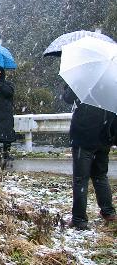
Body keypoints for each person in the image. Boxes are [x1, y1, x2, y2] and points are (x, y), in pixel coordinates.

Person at [63, 85, 116, 230]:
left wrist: (68, 86)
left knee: (81, 180)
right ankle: (108, 212)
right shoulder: (110, 81)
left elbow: (67, 98)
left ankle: (79, 219)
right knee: (100, 176)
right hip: (104, 135)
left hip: (84, 136)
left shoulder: (83, 80)